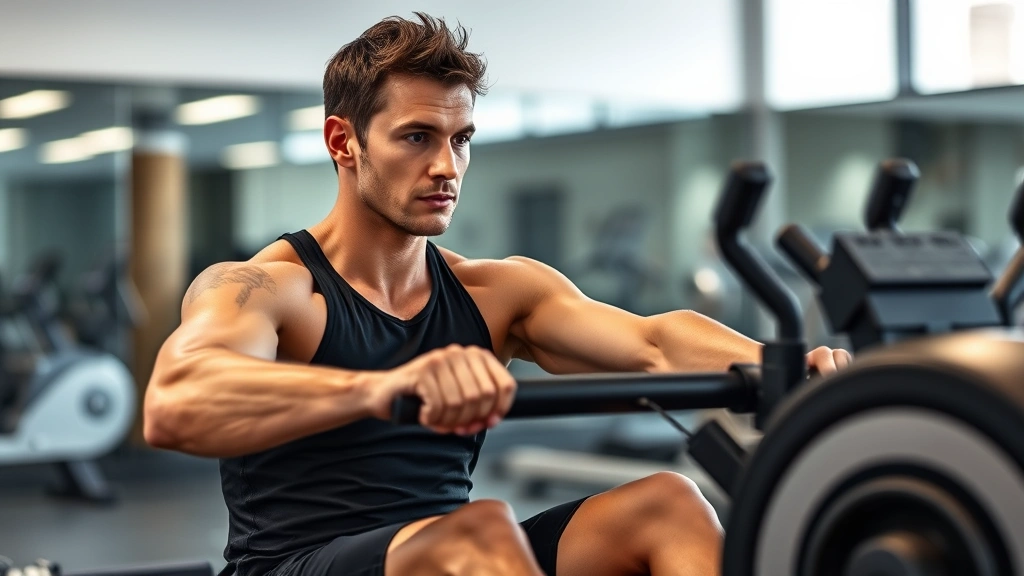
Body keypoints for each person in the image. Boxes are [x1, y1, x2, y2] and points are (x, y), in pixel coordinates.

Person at [144, 13, 851, 576]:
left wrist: (787, 367)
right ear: (343, 141)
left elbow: (653, 343)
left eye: (461, 139)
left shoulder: (493, 292)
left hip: (458, 555)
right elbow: (175, 403)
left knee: (668, 503)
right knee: (478, 531)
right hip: (297, 565)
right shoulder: (268, 288)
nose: (446, 166)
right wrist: (377, 388)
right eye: (417, 137)